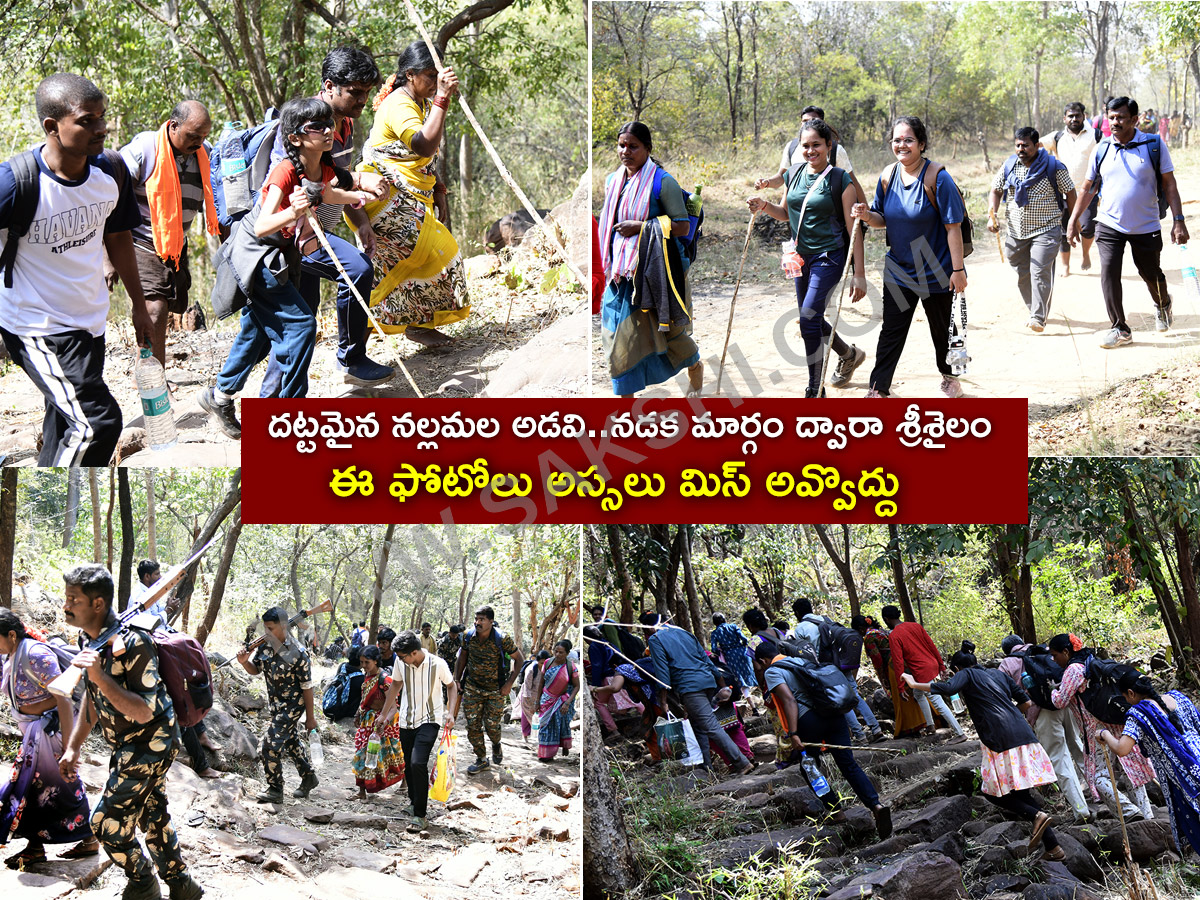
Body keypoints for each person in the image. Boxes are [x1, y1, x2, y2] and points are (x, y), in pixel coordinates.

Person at [0, 74, 153, 465]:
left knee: (65, 425)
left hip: (89, 321)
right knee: (97, 423)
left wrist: (138, 305)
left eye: (102, 117)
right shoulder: (15, 183)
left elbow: (118, 237)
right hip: (35, 326)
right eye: (87, 120)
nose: (101, 128)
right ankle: (60, 509)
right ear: (52, 127)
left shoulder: (110, 172)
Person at [199, 97, 374, 436]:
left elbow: (328, 193)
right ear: (294, 138)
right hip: (257, 254)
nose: (328, 132)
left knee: (257, 334)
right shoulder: (284, 171)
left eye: (329, 125)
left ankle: (219, 396)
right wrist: (294, 212)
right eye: (317, 127)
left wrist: (358, 197)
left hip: (280, 252)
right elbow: (264, 224)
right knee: (302, 327)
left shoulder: (320, 166)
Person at [57, 564, 203, 900]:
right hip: (126, 742)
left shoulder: (134, 641)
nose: (65, 606)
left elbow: (142, 709)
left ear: (97, 604)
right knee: (153, 816)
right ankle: (182, 886)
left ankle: (142, 883)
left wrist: (100, 677)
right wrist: (74, 747)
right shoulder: (89, 640)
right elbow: (92, 702)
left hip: (152, 740)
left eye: (72, 599)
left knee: (105, 822)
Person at [259, 47, 393, 392]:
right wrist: (359, 183)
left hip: (321, 228)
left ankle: (277, 401)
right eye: (355, 92)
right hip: (294, 234)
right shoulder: (303, 127)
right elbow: (296, 183)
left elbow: (340, 175)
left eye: (367, 91)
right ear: (330, 86)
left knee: (301, 319)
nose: (363, 99)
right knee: (357, 269)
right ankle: (351, 359)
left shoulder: (343, 124)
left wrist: (360, 219)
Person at [356, 41, 467, 349]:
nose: (434, 82)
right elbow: (422, 146)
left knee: (413, 263)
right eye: (429, 76)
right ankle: (353, 350)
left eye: (438, 76)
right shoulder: (400, 104)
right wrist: (443, 97)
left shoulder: (420, 102)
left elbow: (423, 160)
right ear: (410, 75)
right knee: (439, 252)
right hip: (384, 199)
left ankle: (419, 325)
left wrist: (439, 188)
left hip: (410, 196)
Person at [850, 116, 968, 399]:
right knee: (892, 330)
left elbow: (953, 227)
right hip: (899, 270)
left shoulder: (938, 178)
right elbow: (881, 218)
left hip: (937, 271)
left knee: (942, 330)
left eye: (908, 140)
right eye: (897, 140)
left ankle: (951, 378)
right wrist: (867, 215)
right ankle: (878, 389)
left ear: (922, 144)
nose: (902, 145)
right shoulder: (887, 176)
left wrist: (958, 269)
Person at [749, 118, 867, 396]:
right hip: (801, 258)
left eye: (816, 145)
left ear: (829, 146)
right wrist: (764, 205)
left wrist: (858, 274)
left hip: (830, 256)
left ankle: (815, 389)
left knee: (807, 318)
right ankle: (848, 354)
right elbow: (785, 213)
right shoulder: (794, 174)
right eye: (805, 146)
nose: (811, 150)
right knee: (809, 318)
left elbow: (855, 231)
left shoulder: (841, 180)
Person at [901, 661, 1065, 861]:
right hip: (1022, 733)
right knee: (1021, 795)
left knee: (991, 793)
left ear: (957, 669)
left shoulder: (967, 673)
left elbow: (948, 688)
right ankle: (1054, 848)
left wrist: (914, 683)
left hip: (999, 738)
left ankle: (1038, 818)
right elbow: (1026, 703)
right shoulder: (1000, 675)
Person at [1067, 96, 1189, 348]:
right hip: (1109, 224)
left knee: (1150, 273)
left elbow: (1170, 184)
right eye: (1111, 117)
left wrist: (1179, 220)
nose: (1115, 122)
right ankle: (1120, 328)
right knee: (1109, 273)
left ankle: (1163, 303)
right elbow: (1088, 187)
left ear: (1134, 119)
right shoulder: (1102, 149)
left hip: (1146, 226)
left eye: (1121, 117)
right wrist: (1073, 219)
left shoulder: (1154, 145)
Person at [598, 121, 703, 398]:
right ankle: (625, 397)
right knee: (615, 335)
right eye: (622, 145)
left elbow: (682, 227)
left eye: (633, 146)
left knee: (668, 334)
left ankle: (695, 366)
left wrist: (641, 227)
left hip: (657, 271)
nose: (626, 151)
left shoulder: (663, 182)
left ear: (647, 148)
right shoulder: (613, 181)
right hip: (620, 272)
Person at [112, 99, 219, 367]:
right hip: (139, 242)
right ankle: (153, 379)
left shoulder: (203, 153)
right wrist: (106, 256)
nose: (199, 142)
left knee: (168, 309)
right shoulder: (144, 150)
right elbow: (109, 197)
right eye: (193, 135)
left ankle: (145, 367)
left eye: (204, 136)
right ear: (173, 126)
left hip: (174, 247)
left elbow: (217, 199)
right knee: (155, 310)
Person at [754, 642, 892, 837]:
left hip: (808, 720)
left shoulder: (773, 671)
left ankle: (835, 811)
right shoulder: (800, 660)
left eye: (760, 665)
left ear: (763, 660)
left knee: (809, 767)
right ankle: (876, 805)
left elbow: (789, 700)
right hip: (834, 714)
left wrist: (793, 734)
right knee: (848, 764)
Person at [0, 611, 99, 869]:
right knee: (38, 789)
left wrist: (69, 746)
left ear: (11, 635)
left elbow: (63, 697)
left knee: (56, 785)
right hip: (34, 734)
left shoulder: (36, 654)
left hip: (51, 731)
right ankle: (45, 845)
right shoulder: (11, 653)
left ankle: (80, 839)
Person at [1048, 633, 1154, 820]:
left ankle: (1129, 813)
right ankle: (1147, 817)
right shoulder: (1091, 661)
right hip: (1117, 723)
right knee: (1130, 772)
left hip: (1096, 730)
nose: (1053, 659)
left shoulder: (1073, 670)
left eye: (1055, 655)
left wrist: (1052, 690)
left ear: (1066, 651)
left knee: (1098, 777)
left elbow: (1060, 701)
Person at [1098, 667, 1200, 854]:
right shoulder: (1179, 697)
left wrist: (1104, 733)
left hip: (1183, 774)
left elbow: (1122, 749)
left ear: (1131, 693)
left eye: (1126, 698)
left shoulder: (1138, 714)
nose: (1128, 702)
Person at [641, 612, 753, 775]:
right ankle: (706, 767)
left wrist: (663, 701)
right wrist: (721, 684)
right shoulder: (683, 632)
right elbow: (705, 658)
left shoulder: (655, 640)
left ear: (647, 629)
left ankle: (741, 762)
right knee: (698, 726)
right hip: (707, 681)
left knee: (710, 726)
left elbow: (662, 672)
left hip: (690, 687)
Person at [988, 127, 1076, 332]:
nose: (1021, 149)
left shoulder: (1054, 167)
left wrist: (1073, 220)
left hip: (1047, 228)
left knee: (1039, 270)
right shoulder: (1009, 166)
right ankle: (1037, 308)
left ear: (1037, 146)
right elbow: (996, 189)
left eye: (1025, 145)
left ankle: (1038, 316)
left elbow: (1070, 193)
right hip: (1015, 231)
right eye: (1018, 145)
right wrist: (991, 215)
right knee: (1022, 272)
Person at [998, 635, 1090, 822]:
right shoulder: (1043, 650)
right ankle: (1103, 794)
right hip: (1066, 702)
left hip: (1042, 713)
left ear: (1006, 650)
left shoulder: (1007, 664)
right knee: (1079, 749)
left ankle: (1081, 810)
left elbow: (1004, 695)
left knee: (1060, 758)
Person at [375, 630, 457, 833]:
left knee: (418, 762)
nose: (400, 660)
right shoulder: (401, 663)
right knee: (409, 765)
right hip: (406, 720)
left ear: (414, 652)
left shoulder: (438, 664)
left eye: (403, 657)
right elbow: (395, 685)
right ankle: (414, 801)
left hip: (430, 720)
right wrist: (383, 715)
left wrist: (451, 713)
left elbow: (452, 686)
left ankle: (420, 815)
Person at [236, 606, 319, 804]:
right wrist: (243, 662)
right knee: (291, 743)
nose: (266, 632)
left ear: (284, 626)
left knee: (269, 745)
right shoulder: (265, 646)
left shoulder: (298, 653)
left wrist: (310, 717)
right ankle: (309, 777)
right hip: (276, 706)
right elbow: (256, 670)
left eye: (271, 628)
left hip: (293, 705)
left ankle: (275, 788)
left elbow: (307, 688)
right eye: (265, 628)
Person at [792, 598, 884, 744]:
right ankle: (876, 729)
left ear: (797, 613)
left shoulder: (801, 628)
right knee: (855, 696)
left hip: (825, 668)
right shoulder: (825, 619)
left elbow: (805, 652)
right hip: (841, 662)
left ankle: (860, 735)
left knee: (840, 698)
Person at [453, 606, 523, 774]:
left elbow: (519, 659)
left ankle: (496, 744)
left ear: (491, 621)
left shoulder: (502, 639)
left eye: (482, 619)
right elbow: (462, 656)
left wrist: (509, 684)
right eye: (476, 619)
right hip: (472, 687)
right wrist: (456, 679)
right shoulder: (468, 636)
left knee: (491, 726)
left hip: (495, 690)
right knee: (472, 725)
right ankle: (481, 759)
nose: (477, 622)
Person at [880, 605, 966, 742]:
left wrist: (900, 686)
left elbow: (898, 662)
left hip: (920, 670)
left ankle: (960, 733)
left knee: (937, 702)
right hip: (930, 665)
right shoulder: (915, 626)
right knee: (918, 694)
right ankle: (930, 725)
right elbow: (931, 645)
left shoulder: (894, 635)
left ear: (886, 619)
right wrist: (941, 666)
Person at [1042, 103, 1099, 277]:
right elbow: (1035, 146)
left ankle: (1085, 254)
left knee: (1088, 227)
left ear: (1084, 116)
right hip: (1062, 193)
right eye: (1070, 116)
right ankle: (1065, 265)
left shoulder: (1096, 135)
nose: (1074, 119)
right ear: (1064, 118)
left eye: (1077, 115)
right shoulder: (1056, 137)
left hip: (1088, 191)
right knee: (1064, 229)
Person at [852, 613, 924, 738]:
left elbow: (877, 660)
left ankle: (910, 727)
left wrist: (882, 677)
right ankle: (923, 722)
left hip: (892, 667)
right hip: (903, 662)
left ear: (860, 629)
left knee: (900, 695)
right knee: (912, 692)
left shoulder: (869, 637)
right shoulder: (881, 631)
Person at [778, 105, 867, 205]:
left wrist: (867, 214)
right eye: (805, 120)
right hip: (800, 213)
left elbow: (852, 182)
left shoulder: (835, 150)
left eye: (813, 120)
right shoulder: (791, 147)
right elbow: (781, 177)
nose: (810, 151)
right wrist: (766, 183)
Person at [349, 645, 404, 799]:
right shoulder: (367, 677)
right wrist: (357, 714)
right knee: (361, 753)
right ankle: (361, 790)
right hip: (366, 722)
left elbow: (393, 707)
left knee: (389, 755)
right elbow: (364, 699)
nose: (364, 666)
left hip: (381, 723)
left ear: (376, 661)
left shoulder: (385, 680)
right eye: (361, 662)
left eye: (367, 662)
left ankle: (404, 781)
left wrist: (383, 722)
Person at [532, 639, 579, 761]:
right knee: (544, 725)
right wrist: (537, 701)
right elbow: (541, 682)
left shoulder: (570, 667)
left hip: (561, 701)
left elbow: (577, 686)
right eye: (556, 651)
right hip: (546, 699)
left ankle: (560, 747)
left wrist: (567, 703)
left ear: (567, 653)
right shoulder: (547, 663)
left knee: (559, 724)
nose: (557, 655)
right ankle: (545, 753)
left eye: (561, 652)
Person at [709, 613, 755, 690]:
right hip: (742, 651)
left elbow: (713, 649)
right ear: (724, 619)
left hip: (730, 656)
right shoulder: (733, 626)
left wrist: (720, 653)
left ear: (714, 622)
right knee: (749, 671)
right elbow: (744, 639)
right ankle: (755, 690)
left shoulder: (715, 633)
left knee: (737, 675)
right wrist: (743, 646)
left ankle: (745, 694)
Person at [517, 650, 551, 742]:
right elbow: (527, 686)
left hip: (540, 696)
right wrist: (529, 701)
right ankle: (525, 735)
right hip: (527, 696)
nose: (543, 665)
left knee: (539, 716)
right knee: (526, 714)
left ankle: (539, 735)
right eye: (541, 663)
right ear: (537, 661)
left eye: (545, 663)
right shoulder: (531, 669)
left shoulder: (549, 669)